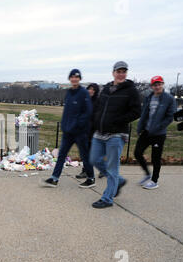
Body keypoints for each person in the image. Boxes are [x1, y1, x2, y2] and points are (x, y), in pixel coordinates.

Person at [89, 61, 141, 208]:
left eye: (124, 71)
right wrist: (96, 121)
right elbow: (98, 106)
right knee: (94, 159)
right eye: (118, 71)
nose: (121, 74)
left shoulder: (131, 90)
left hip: (117, 134)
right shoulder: (105, 89)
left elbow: (137, 111)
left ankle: (107, 198)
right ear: (113, 73)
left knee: (112, 168)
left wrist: (118, 121)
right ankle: (119, 180)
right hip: (100, 132)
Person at [40, 69, 95, 189]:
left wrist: (78, 125)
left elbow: (88, 112)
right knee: (61, 155)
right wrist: (65, 125)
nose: (74, 79)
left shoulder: (84, 93)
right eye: (72, 77)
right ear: (69, 79)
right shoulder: (69, 93)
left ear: (79, 79)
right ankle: (54, 178)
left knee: (84, 155)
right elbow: (67, 112)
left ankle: (91, 178)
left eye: (76, 77)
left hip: (80, 132)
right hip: (68, 132)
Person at [134, 76, 176, 189]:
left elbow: (169, 117)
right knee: (137, 152)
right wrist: (139, 128)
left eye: (159, 84)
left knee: (155, 158)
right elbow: (144, 114)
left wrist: (159, 127)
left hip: (159, 134)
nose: (157, 86)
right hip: (146, 131)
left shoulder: (169, 99)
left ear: (163, 84)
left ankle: (154, 181)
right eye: (155, 85)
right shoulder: (149, 97)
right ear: (152, 86)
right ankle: (147, 174)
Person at [75, 83, 105, 179]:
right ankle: (86, 171)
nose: (90, 91)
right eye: (89, 89)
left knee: (94, 153)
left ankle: (103, 170)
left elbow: (98, 117)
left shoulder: (99, 102)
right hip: (84, 130)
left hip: (94, 131)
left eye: (93, 89)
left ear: (96, 91)